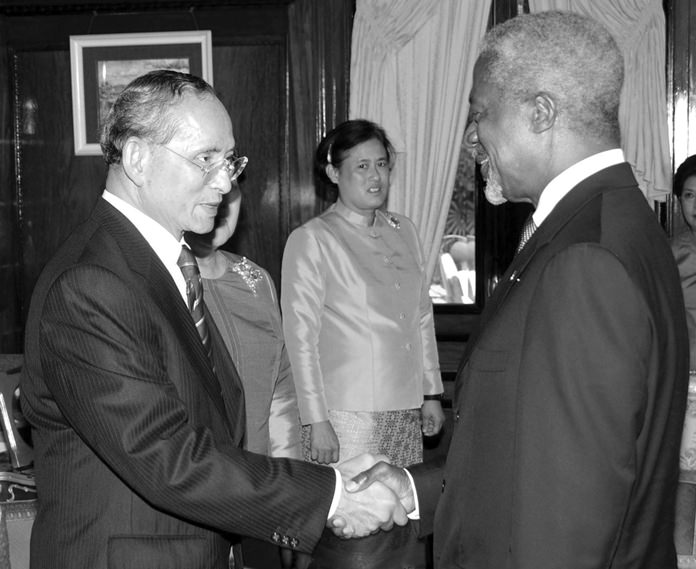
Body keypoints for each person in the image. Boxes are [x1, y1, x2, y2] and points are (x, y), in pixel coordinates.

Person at [20, 69, 407, 569]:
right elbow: (167, 458)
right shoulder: (91, 283)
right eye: (205, 160)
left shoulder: (163, 261)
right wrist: (329, 494)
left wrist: (327, 477)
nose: (225, 182)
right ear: (138, 159)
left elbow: (215, 423)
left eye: (229, 161)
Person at [345, 11, 690, 569]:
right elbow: (533, 455)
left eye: (480, 112)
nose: (470, 134)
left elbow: (567, 524)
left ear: (541, 112)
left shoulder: (585, 259)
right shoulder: (615, 223)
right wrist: (417, 491)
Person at [281, 118, 445, 568]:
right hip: (347, 415)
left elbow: (420, 315)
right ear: (333, 173)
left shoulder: (404, 229)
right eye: (362, 167)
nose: (376, 177)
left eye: (382, 165)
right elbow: (300, 339)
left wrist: (431, 393)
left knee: (403, 525)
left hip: (404, 409)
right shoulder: (312, 239)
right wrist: (316, 420)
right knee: (358, 531)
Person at [186, 188, 310, 569]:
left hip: (259, 491)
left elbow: (281, 393)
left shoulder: (255, 280)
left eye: (233, 192)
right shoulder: (155, 281)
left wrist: (293, 499)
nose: (222, 202)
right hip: (190, 492)